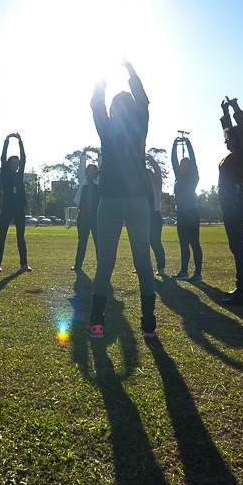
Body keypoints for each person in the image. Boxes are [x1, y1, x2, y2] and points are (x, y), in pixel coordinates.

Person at [88, 61, 157, 339]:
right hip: (137, 199)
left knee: (106, 261)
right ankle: (148, 322)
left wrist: (101, 80)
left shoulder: (108, 130)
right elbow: (144, 101)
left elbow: (96, 105)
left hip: (113, 200)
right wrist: (130, 72)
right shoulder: (138, 127)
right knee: (142, 258)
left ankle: (97, 321)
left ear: (114, 110)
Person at [218, 96, 243, 305]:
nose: (226, 140)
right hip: (229, 203)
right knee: (236, 246)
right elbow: (229, 131)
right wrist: (225, 114)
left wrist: (235, 108)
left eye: (229, 138)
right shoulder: (233, 153)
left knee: (238, 247)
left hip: (236, 202)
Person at [0, 132, 32, 272]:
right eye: (13, 163)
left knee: (20, 237)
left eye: (17, 163)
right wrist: (7, 140)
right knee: (2, 235)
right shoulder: (4, 172)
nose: (16, 165)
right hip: (7, 207)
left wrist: (20, 141)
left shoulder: (19, 173)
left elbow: (24, 159)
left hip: (19, 208)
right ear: (9, 164)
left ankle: (24, 264)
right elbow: (2, 157)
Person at [171, 135, 203, 282]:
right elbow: (173, 162)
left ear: (189, 167)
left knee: (194, 243)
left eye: (186, 165)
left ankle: (197, 273)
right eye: (181, 165)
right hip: (181, 215)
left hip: (192, 214)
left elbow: (194, 160)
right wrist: (174, 146)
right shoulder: (178, 177)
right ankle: (184, 271)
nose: (182, 167)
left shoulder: (193, 177)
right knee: (183, 244)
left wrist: (188, 143)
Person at [72, 147, 100, 271]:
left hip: (96, 216)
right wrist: (84, 154)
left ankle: (102, 264)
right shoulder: (83, 180)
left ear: (96, 172)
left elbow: (103, 167)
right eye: (89, 170)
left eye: (94, 171)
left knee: (98, 242)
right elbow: (80, 169)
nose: (91, 172)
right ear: (87, 172)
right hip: (82, 215)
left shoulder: (99, 181)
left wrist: (99, 154)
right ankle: (77, 265)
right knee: (82, 241)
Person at [145, 153, 167, 276]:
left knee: (155, 242)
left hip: (155, 216)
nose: (147, 177)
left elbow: (157, 171)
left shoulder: (157, 185)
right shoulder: (141, 187)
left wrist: (150, 159)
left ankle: (161, 267)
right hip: (142, 217)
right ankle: (142, 266)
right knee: (142, 242)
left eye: (149, 175)